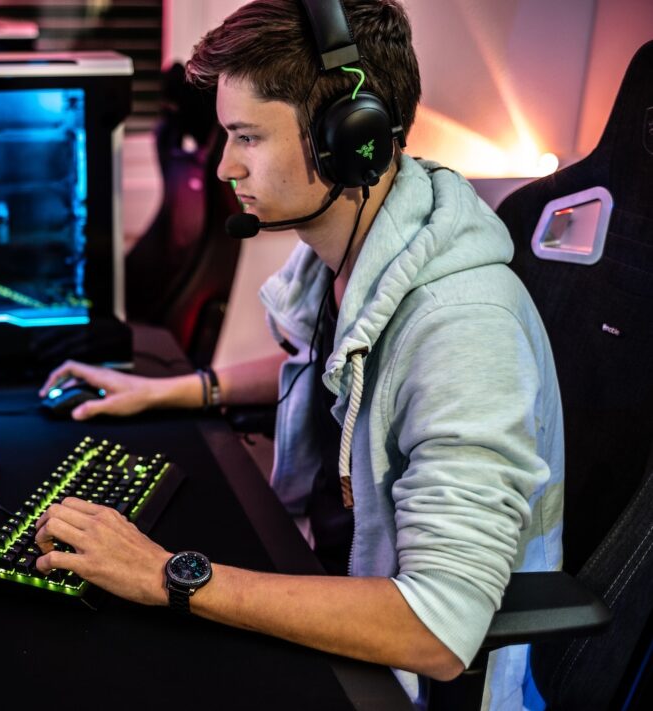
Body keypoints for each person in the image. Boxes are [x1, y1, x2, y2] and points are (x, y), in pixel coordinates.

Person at [33, 1, 564, 707]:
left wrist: (169, 576)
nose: (224, 167)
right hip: (326, 568)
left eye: (246, 138)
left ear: (352, 141)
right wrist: (176, 390)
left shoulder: (465, 328)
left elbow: (439, 629)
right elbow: (339, 370)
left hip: (398, 675)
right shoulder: (353, 252)